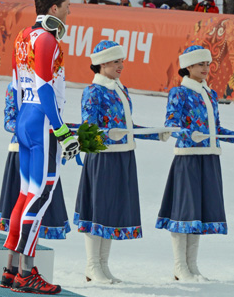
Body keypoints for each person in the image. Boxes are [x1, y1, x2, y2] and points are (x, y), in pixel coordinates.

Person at [0, 0, 79, 295]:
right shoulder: (47, 39)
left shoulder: (23, 36)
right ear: (55, 8)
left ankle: (10, 268)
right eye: (68, 5)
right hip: (43, 122)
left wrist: (23, 121)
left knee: (26, 194)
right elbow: (45, 87)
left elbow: (17, 84)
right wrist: (60, 130)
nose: (71, 11)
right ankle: (26, 272)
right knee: (42, 195)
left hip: (26, 120)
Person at [74, 40, 171, 284]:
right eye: (117, 61)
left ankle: (103, 266)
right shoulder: (93, 91)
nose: (121, 65)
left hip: (123, 156)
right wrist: (108, 135)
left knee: (111, 210)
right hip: (103, 158)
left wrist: (153, 132)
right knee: (98, 209)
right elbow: (88, 131)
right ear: (102, 62)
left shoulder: (120, 89)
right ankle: (92, 265)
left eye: (122, 61)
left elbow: (127, 127)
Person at [155, 45, 234, 282]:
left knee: (197, 211)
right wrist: (189, 135)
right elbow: (172, 124)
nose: (206, 69)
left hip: (209, 157)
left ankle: (192, 265)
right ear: (188, 67)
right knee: (184, 211)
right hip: (187, 158)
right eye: (200, 65)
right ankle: (180, 266)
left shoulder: (210, 94)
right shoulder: (179, 92)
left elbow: (215, 128)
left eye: (207, 64)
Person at [0, 82, 71, 239]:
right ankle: (16, 258)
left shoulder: (52, 86)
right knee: (25, 202)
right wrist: (36, 127)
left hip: (47, 151)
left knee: (40, 207)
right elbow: (9, 121)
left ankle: (27, 256)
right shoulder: (16, 86)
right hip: (22, 152)